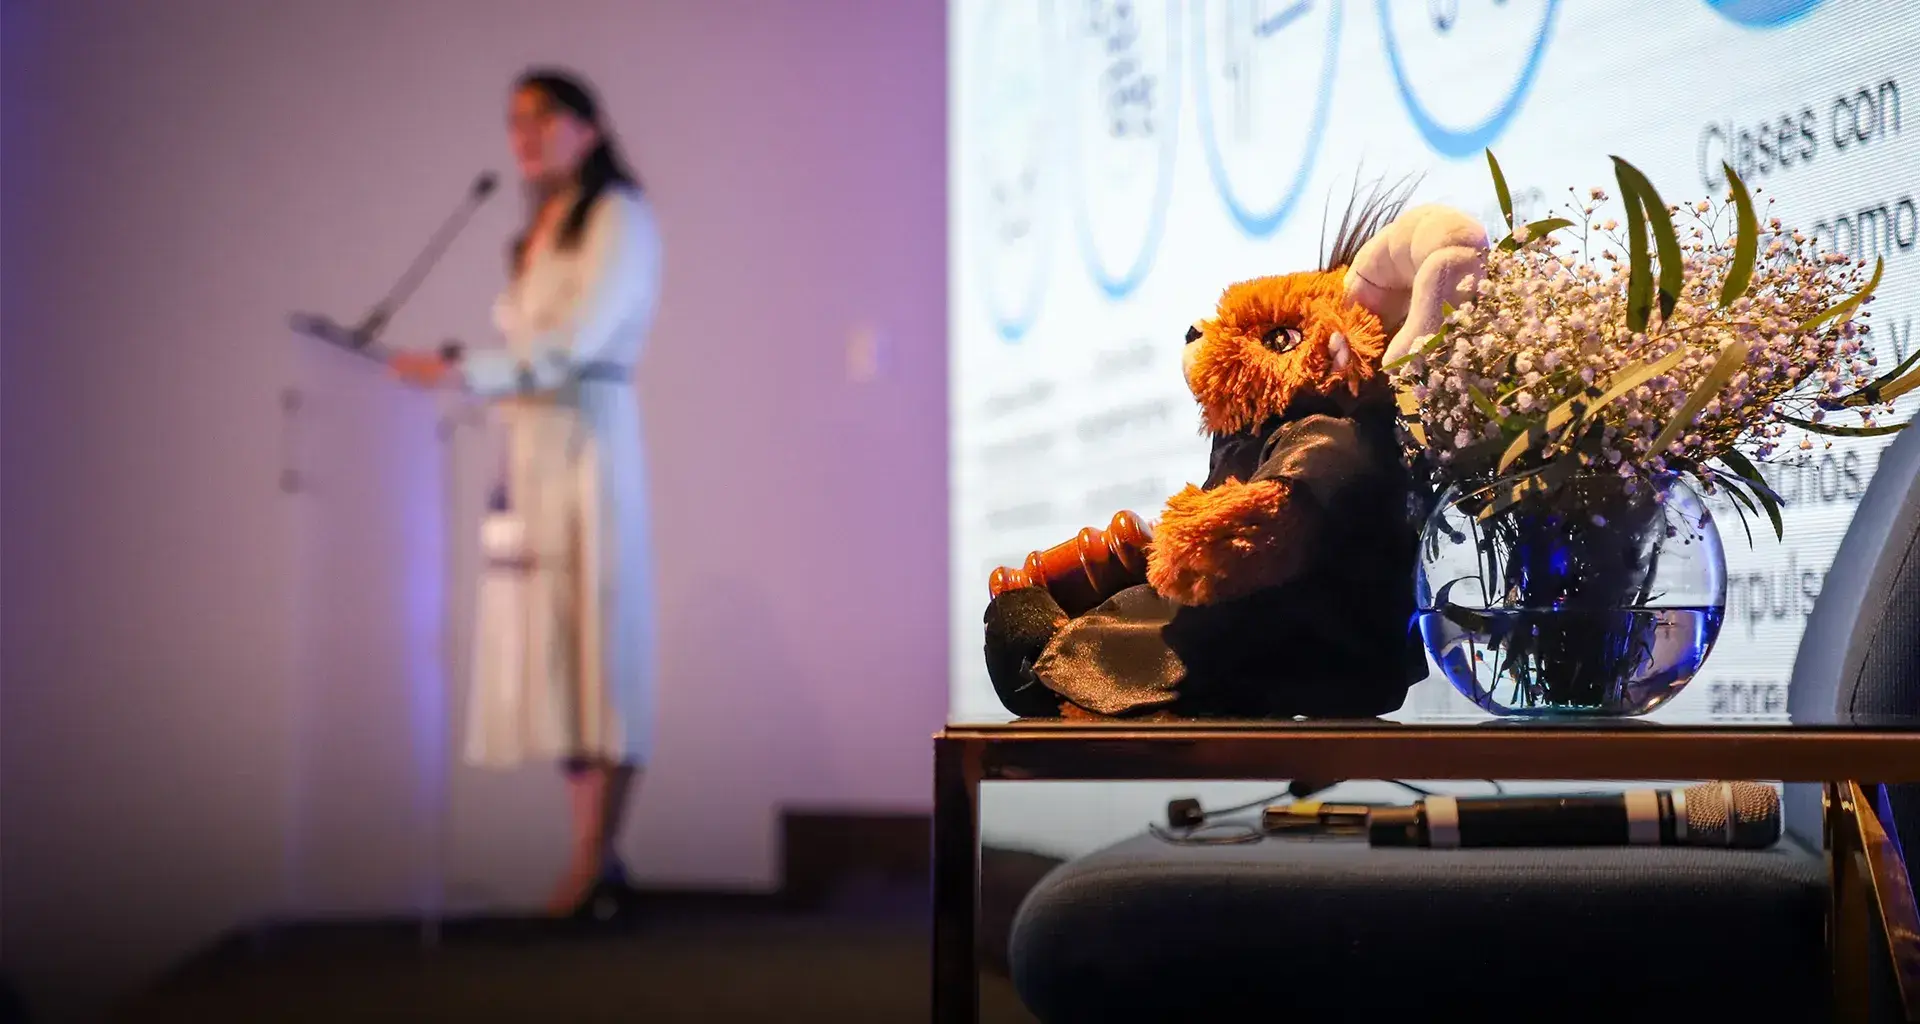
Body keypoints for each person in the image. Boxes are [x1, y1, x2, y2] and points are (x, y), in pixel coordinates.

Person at [391, 68, 660, 922]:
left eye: (544, 117)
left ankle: (591, 860)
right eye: (514, 120)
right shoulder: (535, 231)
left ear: (588, 126)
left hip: (588, 449)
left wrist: (466, 369)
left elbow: (576, 341)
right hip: (531, 451)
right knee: (554, 658)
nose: (526, 134)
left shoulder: (621, 218)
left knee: (598, 654)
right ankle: (593, 858)